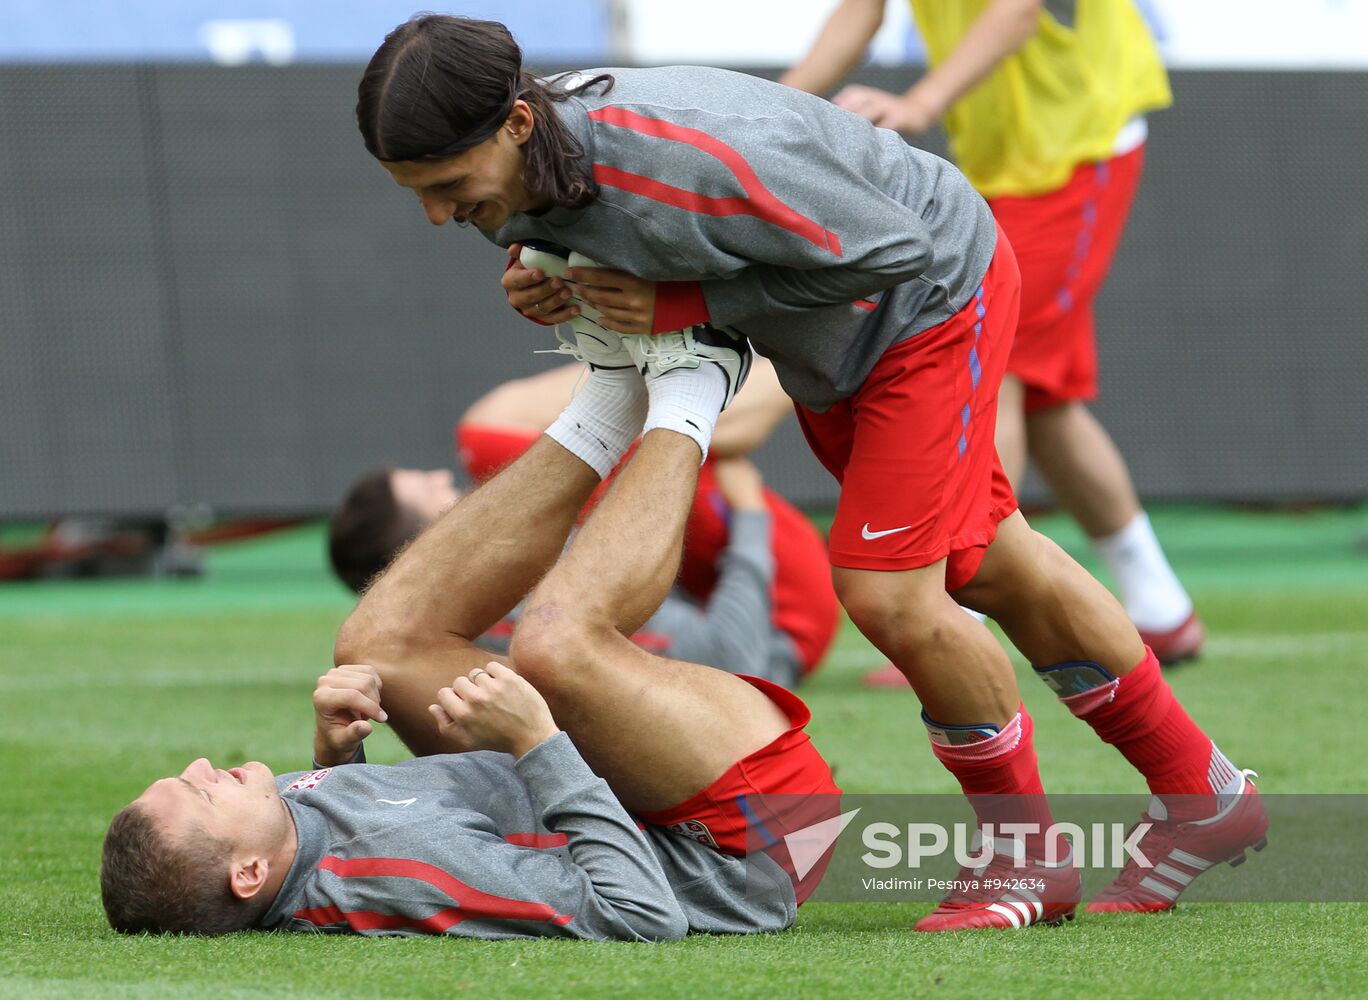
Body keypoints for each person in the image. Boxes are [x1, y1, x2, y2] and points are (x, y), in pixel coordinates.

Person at [352, 14, 1267, 930]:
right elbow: (586, 236)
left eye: (448, 187)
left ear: (518, 122)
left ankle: (1026, 858)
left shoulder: (684, 156)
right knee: (989, 562)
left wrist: (692, 299)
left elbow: (898, 246)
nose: (437, 214)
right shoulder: (525, 160)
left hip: (928, 303)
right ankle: (1204, 793)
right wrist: (538, 275)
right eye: (417, 193)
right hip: (833, 342)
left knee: (890, 596)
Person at [99, 355, 842, 939]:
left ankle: (614, 385)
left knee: (371, 647)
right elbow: (640, 913)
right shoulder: (399, 872)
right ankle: (693, 382)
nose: (201, 767)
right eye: (201, 793)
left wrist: (339, 757)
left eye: (183, 776)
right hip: (755, 841)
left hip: (652, 798)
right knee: (553, 649)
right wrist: (537, 742)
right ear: (248, 876)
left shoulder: (278, 824)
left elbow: (381, 812)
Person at [782, 0, 1203, 666]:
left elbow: (1017, 10)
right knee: (1044, 400)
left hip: (1077, 142)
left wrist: (920, 103)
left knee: (988, 371)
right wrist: (769, 115)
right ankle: (1162, 608)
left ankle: (961, 619)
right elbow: (861, 10)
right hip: (1003, 160)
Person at [327, 359, 839, 686]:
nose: (446, 478)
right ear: (426, 543)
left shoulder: (457, 625)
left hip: (726, 595)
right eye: (432, 490)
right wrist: (748, 515)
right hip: (780, 624)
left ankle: (669, 363)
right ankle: (758, 363)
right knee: (486, 434)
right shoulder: (527, 595)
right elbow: (733, 655)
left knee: (496, 434)